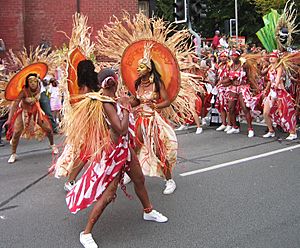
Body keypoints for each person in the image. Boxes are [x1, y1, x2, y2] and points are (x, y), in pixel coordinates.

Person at [54, 66, 168, 248]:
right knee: (108, 195)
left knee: (139, 179)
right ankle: (86, 232)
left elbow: (131, 103)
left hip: (125, 149)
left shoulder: (111, 99)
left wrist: (144, 97)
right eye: (115, 82)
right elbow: (121, 128)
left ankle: (148, 211)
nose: (116, 85)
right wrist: (125, 108)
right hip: (113, 153)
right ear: (111, 82)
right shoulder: (106, 103)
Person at [129, 52, 177, 195]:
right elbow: (136, 100)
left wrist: (157, 106)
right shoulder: (138, 84)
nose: (139, 69)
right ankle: (129, 174)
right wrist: (127, 102)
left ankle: (169, 180)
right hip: (140, 119)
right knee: (134, 148)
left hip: (153, 120)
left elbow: (167, 100)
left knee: (158, 150)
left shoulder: (157, 83)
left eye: (142, 67)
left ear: (149, 69)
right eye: (138, 67)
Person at [4, 73, 58, 163]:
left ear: (37, 82)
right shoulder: (23, 92)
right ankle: (13, 154)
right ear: (27, 83)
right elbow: (15, 105)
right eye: (30, 81)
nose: (33, 83)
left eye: (34, 81)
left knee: (48, 129)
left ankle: (52, 144)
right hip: (24, 113)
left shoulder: (39, 88)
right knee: (17, 132)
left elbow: (47, 83)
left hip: (36, 112)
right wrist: (9, 120)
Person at [262, 51, 297, 140]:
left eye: (273, 56)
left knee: (285, 112)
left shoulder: (279, 67)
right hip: (272, 92)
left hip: (280, 92)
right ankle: (271, 131)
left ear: (277, 58)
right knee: (266, 112)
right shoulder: (270, 67)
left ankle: (293, 132)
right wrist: (266, 89)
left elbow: (277, 78)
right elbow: (270, 80)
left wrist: (276, 84)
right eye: (270, 56)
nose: (271, 58)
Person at [226, 50, 255, 138]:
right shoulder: (230, 65)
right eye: (231, 55)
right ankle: (235, 126)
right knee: (230, 108)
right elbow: (228, 77)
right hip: (233, 87)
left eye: (234, 55)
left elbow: (250, 76)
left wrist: (254, 87)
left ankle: (250, 129)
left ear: (238, 57)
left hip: (243, 87)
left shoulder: (244, 65)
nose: (233, 57)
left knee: (245, 108)